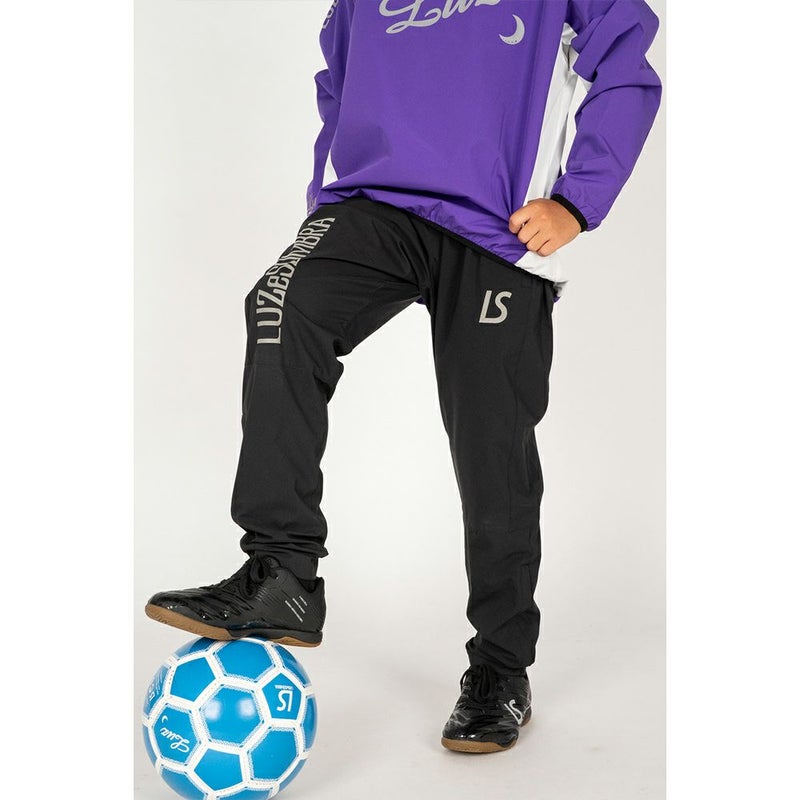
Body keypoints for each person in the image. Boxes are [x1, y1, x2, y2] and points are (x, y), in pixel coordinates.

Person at [146, 0, 662, 754]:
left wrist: (577, 200)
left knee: (491, 444)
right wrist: (326, 203)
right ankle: (282, 572)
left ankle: (500, 669)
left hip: (500, 224)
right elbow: (340, 77)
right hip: (373, 206)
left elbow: (625, 57)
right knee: (282, 305)